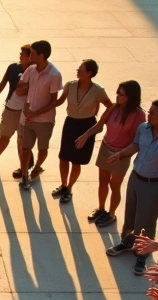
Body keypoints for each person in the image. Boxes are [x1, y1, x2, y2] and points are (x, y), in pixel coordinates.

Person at [104, 98, 158, 275]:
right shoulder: (143, 128)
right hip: (135, 178)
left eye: (153, 113)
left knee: (147, 221)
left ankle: (143, 253)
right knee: (130, 214)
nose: (148, 115)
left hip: (154, 184)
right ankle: (127, 242)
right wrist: (120, 154)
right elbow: (135, 145)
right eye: (149, 111)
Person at [79, 80, 144, 227]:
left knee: (115, 185)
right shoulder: (113, 108)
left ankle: (111, 214)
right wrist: (86, 135)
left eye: (122, 95)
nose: (118, 97)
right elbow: (100, 125)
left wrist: (122, 154)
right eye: (118, 93)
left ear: (131, 97)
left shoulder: (138, 115)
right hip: (105, 149)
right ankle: (101, 209)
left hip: (121, 155)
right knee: (102, 182)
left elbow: (137, 140)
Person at [52, 60, 111, 203]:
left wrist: (101, 121)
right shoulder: (70, 85)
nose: (77, 71)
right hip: (70, 123)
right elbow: (60, 101)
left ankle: (69, 188)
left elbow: (110, 106)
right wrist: (41, 108)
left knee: (76, 160)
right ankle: (63, 185)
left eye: (81, 69)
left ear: (89, 73)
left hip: (86, 125)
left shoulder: (98, 90)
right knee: (63, 156)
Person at [14, 40, 62, 188]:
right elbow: (20, 87)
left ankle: (37, 167)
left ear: (42, 55)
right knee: (25, 147)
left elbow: (54, 101)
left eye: (33, 53)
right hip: (28, 117)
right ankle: (24, 175)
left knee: (42, 149)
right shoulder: (30, 70)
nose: (30, 56)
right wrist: (27, 108)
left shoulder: (54, 74)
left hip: (45, 121)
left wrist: (35, 113)